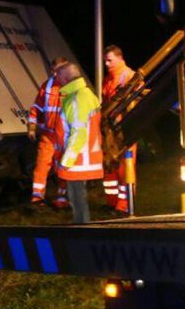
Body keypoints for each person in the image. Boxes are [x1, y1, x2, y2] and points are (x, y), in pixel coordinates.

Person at [54, 63, 103, 224]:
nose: (56, 80)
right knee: (78, 196)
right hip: (87, 155)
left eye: (58, 76)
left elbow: (78, 132)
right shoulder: (87, 94)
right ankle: (82, 224)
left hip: (79, 159)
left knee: (77, 197)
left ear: (66, 78)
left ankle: (82, 228)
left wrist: (67, 160)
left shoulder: (75, 100)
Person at [101, 45, 142, 214]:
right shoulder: (109, 79)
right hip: (111, 129)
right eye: (105, 61)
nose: (106, 64)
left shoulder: (130, 77)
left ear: (120, 58)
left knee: (125, 166)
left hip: (125, 128)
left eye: (109, 60)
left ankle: (125, 204)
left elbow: (137, 102)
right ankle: (113, 201)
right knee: (110, 165)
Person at [27, 56, 69, 207]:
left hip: (65, 136)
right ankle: (37, 198)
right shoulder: (47, 86)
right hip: (49, 135)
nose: (58, 73)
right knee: (41, 165)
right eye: (55, 70)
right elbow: (37, 107)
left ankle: (61, 197)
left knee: (63, 167)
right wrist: (32, 126)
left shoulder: (72, 86)